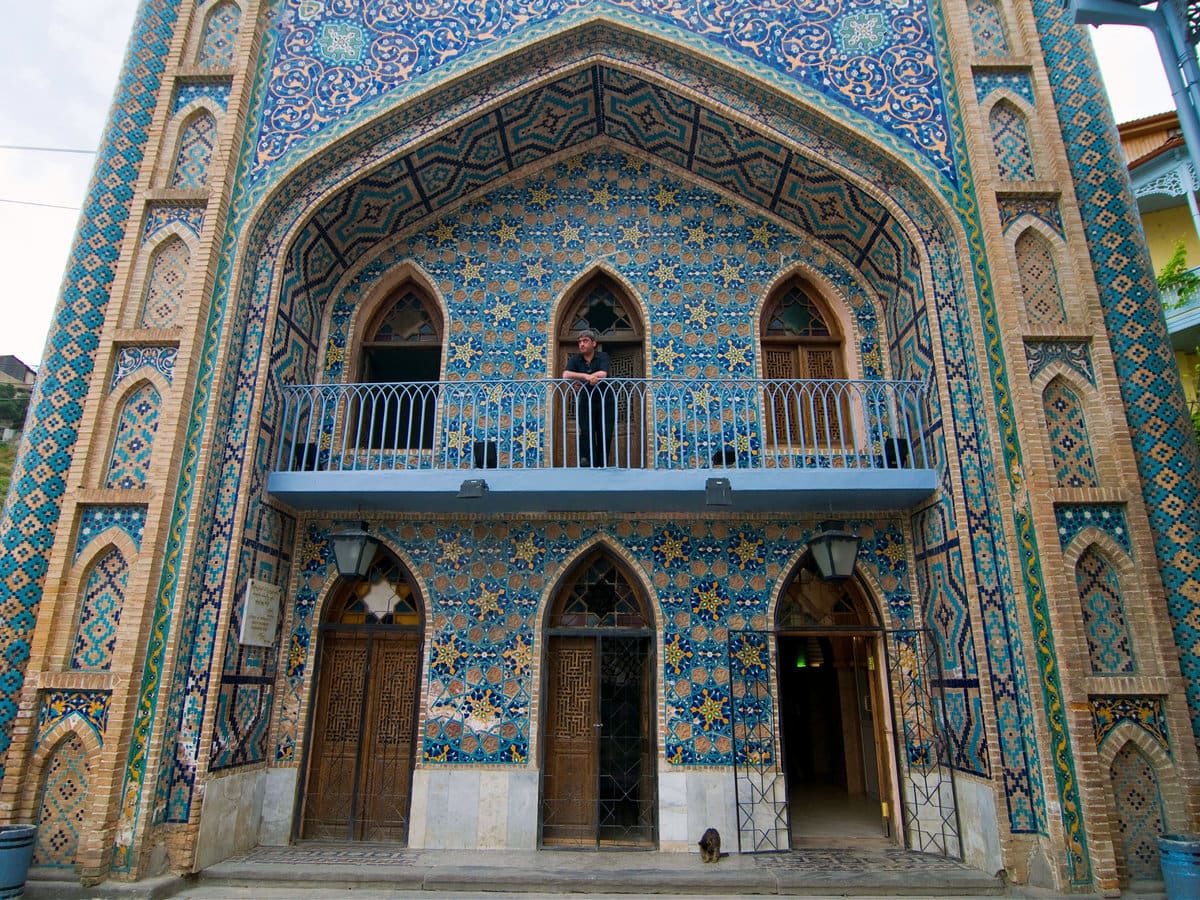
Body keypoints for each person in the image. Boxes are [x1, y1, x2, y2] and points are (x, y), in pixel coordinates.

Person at [563, 328, 615, 467]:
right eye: (579, 342)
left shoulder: (603, 356)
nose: (581, 344)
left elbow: (603, 374)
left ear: (594, 343)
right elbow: (566, 374)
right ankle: (588, 463)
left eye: (585, 341)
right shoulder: (575, 359)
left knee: (605, 434)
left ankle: (602, 465)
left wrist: (580, 380)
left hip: (605, 402)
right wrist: (587, 377)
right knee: (586, 432)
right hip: (586, 401)